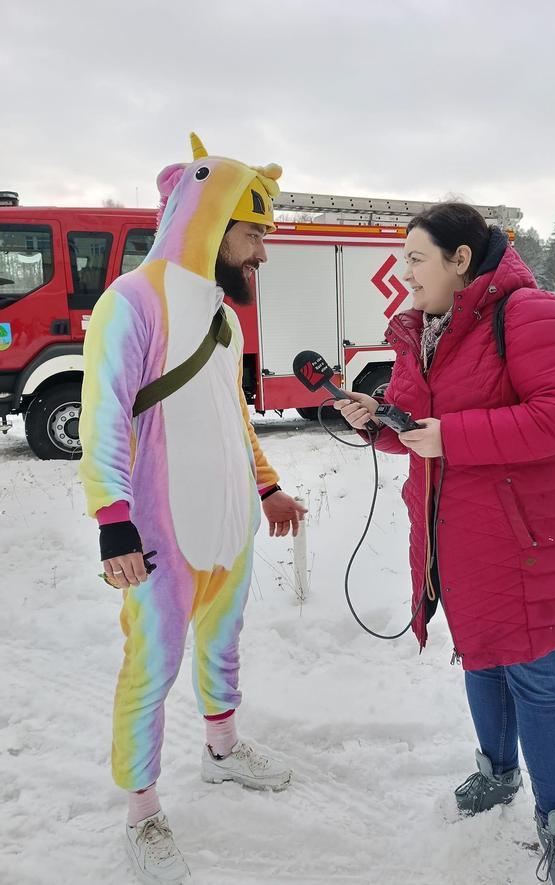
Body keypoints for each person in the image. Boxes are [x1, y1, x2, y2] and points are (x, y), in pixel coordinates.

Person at [335, 202, 555, 885]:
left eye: (416, 258)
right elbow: (414, 425)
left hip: (531, 537)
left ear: (459, 261)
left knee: (541, 677)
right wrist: (377, 424)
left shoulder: (533, 314)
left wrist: (452, 436)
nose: (405, 272)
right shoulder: (418, 330)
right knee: (480, 657)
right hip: (453, 533)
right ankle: (497, 771)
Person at [79, 133, 307, 884]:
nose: (261, 255)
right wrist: (112, 515)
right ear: (209, 222)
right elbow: (104, 411)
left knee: (221, 643)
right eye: (253, 235)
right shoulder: (132, 301)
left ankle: (222, 747)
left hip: (229, 521)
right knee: (154, 664)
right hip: (156, 530)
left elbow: (234, 414)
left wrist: (267, 486)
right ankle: (142, 810)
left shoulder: (222, 317)